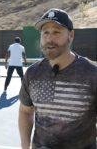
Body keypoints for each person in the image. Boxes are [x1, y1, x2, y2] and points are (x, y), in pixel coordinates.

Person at [18, 8, 97, 149]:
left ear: (71, 35)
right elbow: (25, 111)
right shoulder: (32, 73)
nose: (49, 38)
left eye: (56, 32)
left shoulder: (92, 73)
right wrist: (25, 145)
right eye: (45, 32)